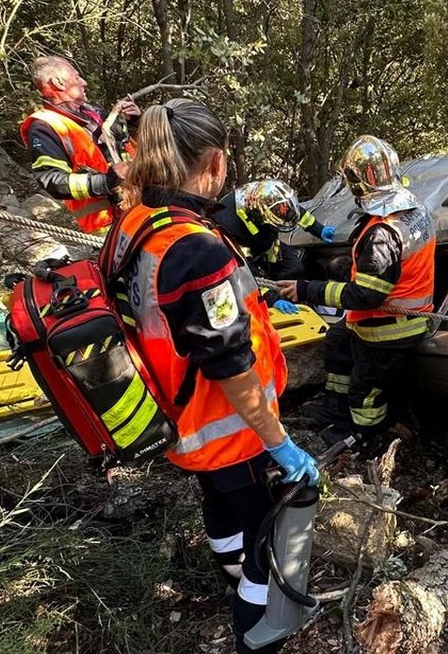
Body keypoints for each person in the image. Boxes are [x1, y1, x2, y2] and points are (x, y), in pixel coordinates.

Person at [106, 97, 319, 654]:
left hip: (177, 413)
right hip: (226, 425)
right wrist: (279, 441)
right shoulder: (196, 248)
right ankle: (256, 635)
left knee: (221, 504)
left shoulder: (135, 223)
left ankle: (231, 570)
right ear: (216, 162)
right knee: (265, 539)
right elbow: (229, 362)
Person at [274, 135, 435, 442]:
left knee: (366, 392)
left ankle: (364, 435)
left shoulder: (382, 233)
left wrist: (305, 289)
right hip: (392, 320)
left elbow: (365, 296)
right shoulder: (414, 209)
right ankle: (335, 409)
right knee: (336, 341)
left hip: (387, 332)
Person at [20, 56, 140, 233]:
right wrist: (106, 182)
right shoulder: (44, 126)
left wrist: (135, 123)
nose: (84, 82)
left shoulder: (93, 114)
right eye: (77, 77)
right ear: (59, 83)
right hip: (106, 226)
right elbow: (52, 180)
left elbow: (127, 148)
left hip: (137, 209)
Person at [210, 179, 335, 315]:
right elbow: (247, 274)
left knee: (294, 269)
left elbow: (291, 212)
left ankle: (296, 298)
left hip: (268, 243)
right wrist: (272, 299)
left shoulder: (268, 197)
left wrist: (318, 229)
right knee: (261, 286)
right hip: (244, 254)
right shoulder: (227, 224)